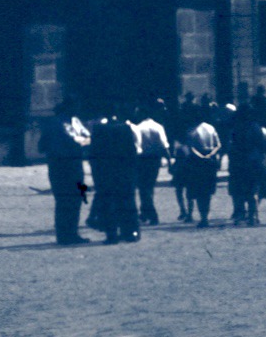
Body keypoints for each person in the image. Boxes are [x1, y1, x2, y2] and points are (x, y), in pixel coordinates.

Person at [89, 106, 141, 243]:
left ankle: (111, 233)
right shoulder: (125, 128)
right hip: (125, 171)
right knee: (128, 202)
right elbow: (132, 152)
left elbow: (93, 155)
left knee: (108, 203)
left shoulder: (98, 130)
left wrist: (96, 173)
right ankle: (131, 231)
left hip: (105, 172)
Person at [42, 99, 91, 244]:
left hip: (69, 163)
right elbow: (78, 140)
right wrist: (81, 141)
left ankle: (68, 233)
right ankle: (67, 234)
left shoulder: (74, 121)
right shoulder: (60, 123)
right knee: (67, 199)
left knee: (72, 199)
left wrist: (82, 140)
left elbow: (87, 137)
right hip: (63, 164)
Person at [178, 108, 223, 227]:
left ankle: (203, 218)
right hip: (211, 160)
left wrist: (202, 156)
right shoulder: (210, 128)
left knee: (199, 191)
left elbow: (191, 148)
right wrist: (210, 154)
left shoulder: (192, 131)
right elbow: (218, 144)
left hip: (196, 162)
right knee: (208, 191)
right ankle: (206, 216)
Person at [227, 107, 266, 225]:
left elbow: (231, 147)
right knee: (254, 190)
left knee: (239, 190)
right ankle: (253, 216)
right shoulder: (257, 128)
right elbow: (264, 146)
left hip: (239, 163)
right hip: (255, 162)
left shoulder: (236, 129)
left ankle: (240, 214)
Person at [133, 101, 170, 227]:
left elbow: (136, 147)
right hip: (155, 160)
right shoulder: (158, 126)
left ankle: (152, 214)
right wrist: (170, 161)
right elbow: (164, 146)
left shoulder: (138, 128)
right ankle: (144, 213)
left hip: (142, 160)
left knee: (144, 188)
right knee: (149, 186)